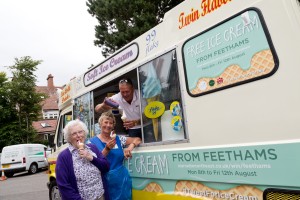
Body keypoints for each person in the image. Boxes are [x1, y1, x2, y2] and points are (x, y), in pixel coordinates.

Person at [90, 111, 141, 200]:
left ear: (113, 126)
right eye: (106, 122)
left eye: (111, 123)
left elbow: (137, 139)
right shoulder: (91, 143)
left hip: (122, 181)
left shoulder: (118, 139)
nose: (108, 125)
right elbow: (94, 162)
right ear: (100, 124)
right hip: (104, 182)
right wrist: (107, 149)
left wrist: (130, 147)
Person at [56, 119, 110, 200]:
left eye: (80, 132)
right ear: (69, 138)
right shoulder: (64, 156)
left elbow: (106, 167)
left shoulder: (92, 148)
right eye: (74, 133)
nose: (78, 135)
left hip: (101, 196)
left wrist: (91, 158)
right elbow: (63, 185)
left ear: (84, 134)